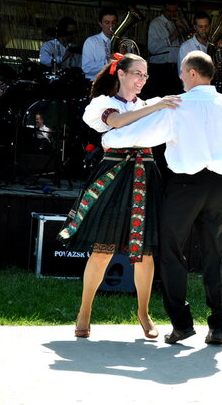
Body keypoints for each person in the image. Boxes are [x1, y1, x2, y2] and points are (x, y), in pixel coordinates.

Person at [101, 51, 222, 346]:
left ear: (191, 73)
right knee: (214, 254)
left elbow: (145, 135)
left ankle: (182, 323)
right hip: (218, 186)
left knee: (172, 252)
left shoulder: (179, 104)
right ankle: (218, 325)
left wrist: (108, 139)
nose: (179, 77)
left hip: (186, 186)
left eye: (181, 72)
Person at [57, 53, 181, 339]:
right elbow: (116, 121)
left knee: (145, 252)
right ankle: (84, 311)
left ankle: (143, 312)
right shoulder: (104, 103)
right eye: (137, 73)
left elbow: (181, 111)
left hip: (146, 173)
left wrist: (220, 107)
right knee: (102, 249)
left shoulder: (149, 105)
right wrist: (157, 106)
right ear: (121, 74)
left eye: (145, 75)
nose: (142, 80)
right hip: (115, 173)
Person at [146, 0, 186, 96]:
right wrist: (173, 36)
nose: (172, 14)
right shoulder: (155, 24)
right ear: (163, 9)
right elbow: (152, 48)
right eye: (169, 11)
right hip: (160, 69)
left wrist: (184, 28)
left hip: (176, 68)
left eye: (175, 11)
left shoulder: (178, 22)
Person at [82, 8, 118, 80]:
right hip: (97, 85)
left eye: (113, 22)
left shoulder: (124, 41)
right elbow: (86, 68)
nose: (111, 26)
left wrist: (125, 56)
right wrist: (108, 62)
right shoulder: (91, 41)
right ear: (100, 24)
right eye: (107, 23)